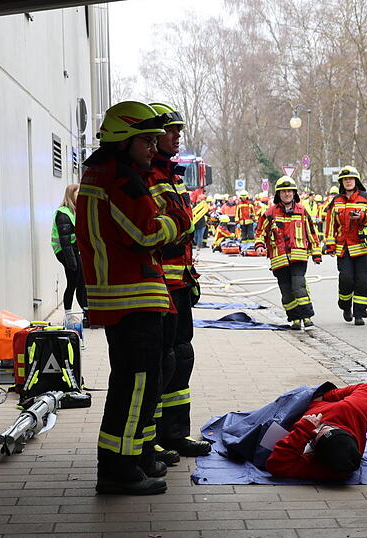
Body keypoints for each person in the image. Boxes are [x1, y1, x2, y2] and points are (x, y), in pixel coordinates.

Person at [76, 101, 191, 495]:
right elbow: (146, 232)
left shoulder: (108, 172)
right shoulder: (121, 178)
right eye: (146, 140)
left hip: (126, 296)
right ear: (124, 140)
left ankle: (135, 457)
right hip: (131, 297)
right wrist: (179, 221)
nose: (153, 146)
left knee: (139, 381)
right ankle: (119, 469)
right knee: (137, 384)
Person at [146, 102, 211, 460]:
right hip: (158, 287)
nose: (177, 136)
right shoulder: (147, 177)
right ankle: (150, 437)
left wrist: (191, 276)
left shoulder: (172, 176)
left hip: (180, 283)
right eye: (170, 130)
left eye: (178, 130)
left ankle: (175, 434)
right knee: (162, 361)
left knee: (182, 357)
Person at [266, 383, 367, 479]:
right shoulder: (352, 409)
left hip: (285, 419)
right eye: (325, 427)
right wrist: (326, 396)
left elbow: (277, 465)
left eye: (316, 436)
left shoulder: (327, 467)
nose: (316, 430)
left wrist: (303, 430)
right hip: (306, 401)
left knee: (262, 434)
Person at [255, 177, 322, 330]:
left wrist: (316, 253)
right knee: (286, 292)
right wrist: (259, 245)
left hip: (298, 257)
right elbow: (260, 232)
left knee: (299, 287)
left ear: (294, 193)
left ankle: (307, 317)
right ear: (278, 194)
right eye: (283, 191)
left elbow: (311, 233)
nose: (287, 194)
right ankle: (295, 319)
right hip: (279, 259)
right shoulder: (270, 213)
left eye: (289, 191)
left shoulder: (301, 211)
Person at [323, 166, 367, 325]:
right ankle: (345, 305)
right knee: (346, 279)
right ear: (341, 182)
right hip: (345, 248)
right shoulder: (336, 200)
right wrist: (330, 245)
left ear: (356, 181)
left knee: (362, 281)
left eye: (351, 179)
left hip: (364, 248)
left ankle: (359, 314)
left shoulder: (365, 197)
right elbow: (331, 224)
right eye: (345, 179)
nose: (348, 181)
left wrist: (362, 217)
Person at [52, 184, 89, 328]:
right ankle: (68, 315)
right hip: (65, 252)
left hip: (73, 251)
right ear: (70, 195)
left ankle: (86, 313)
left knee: (81, 283)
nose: (80, 196)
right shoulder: (63, 214)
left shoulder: (74, 211)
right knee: (72, 282)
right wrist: (72, 262)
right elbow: (65, 243)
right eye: (77, 193)